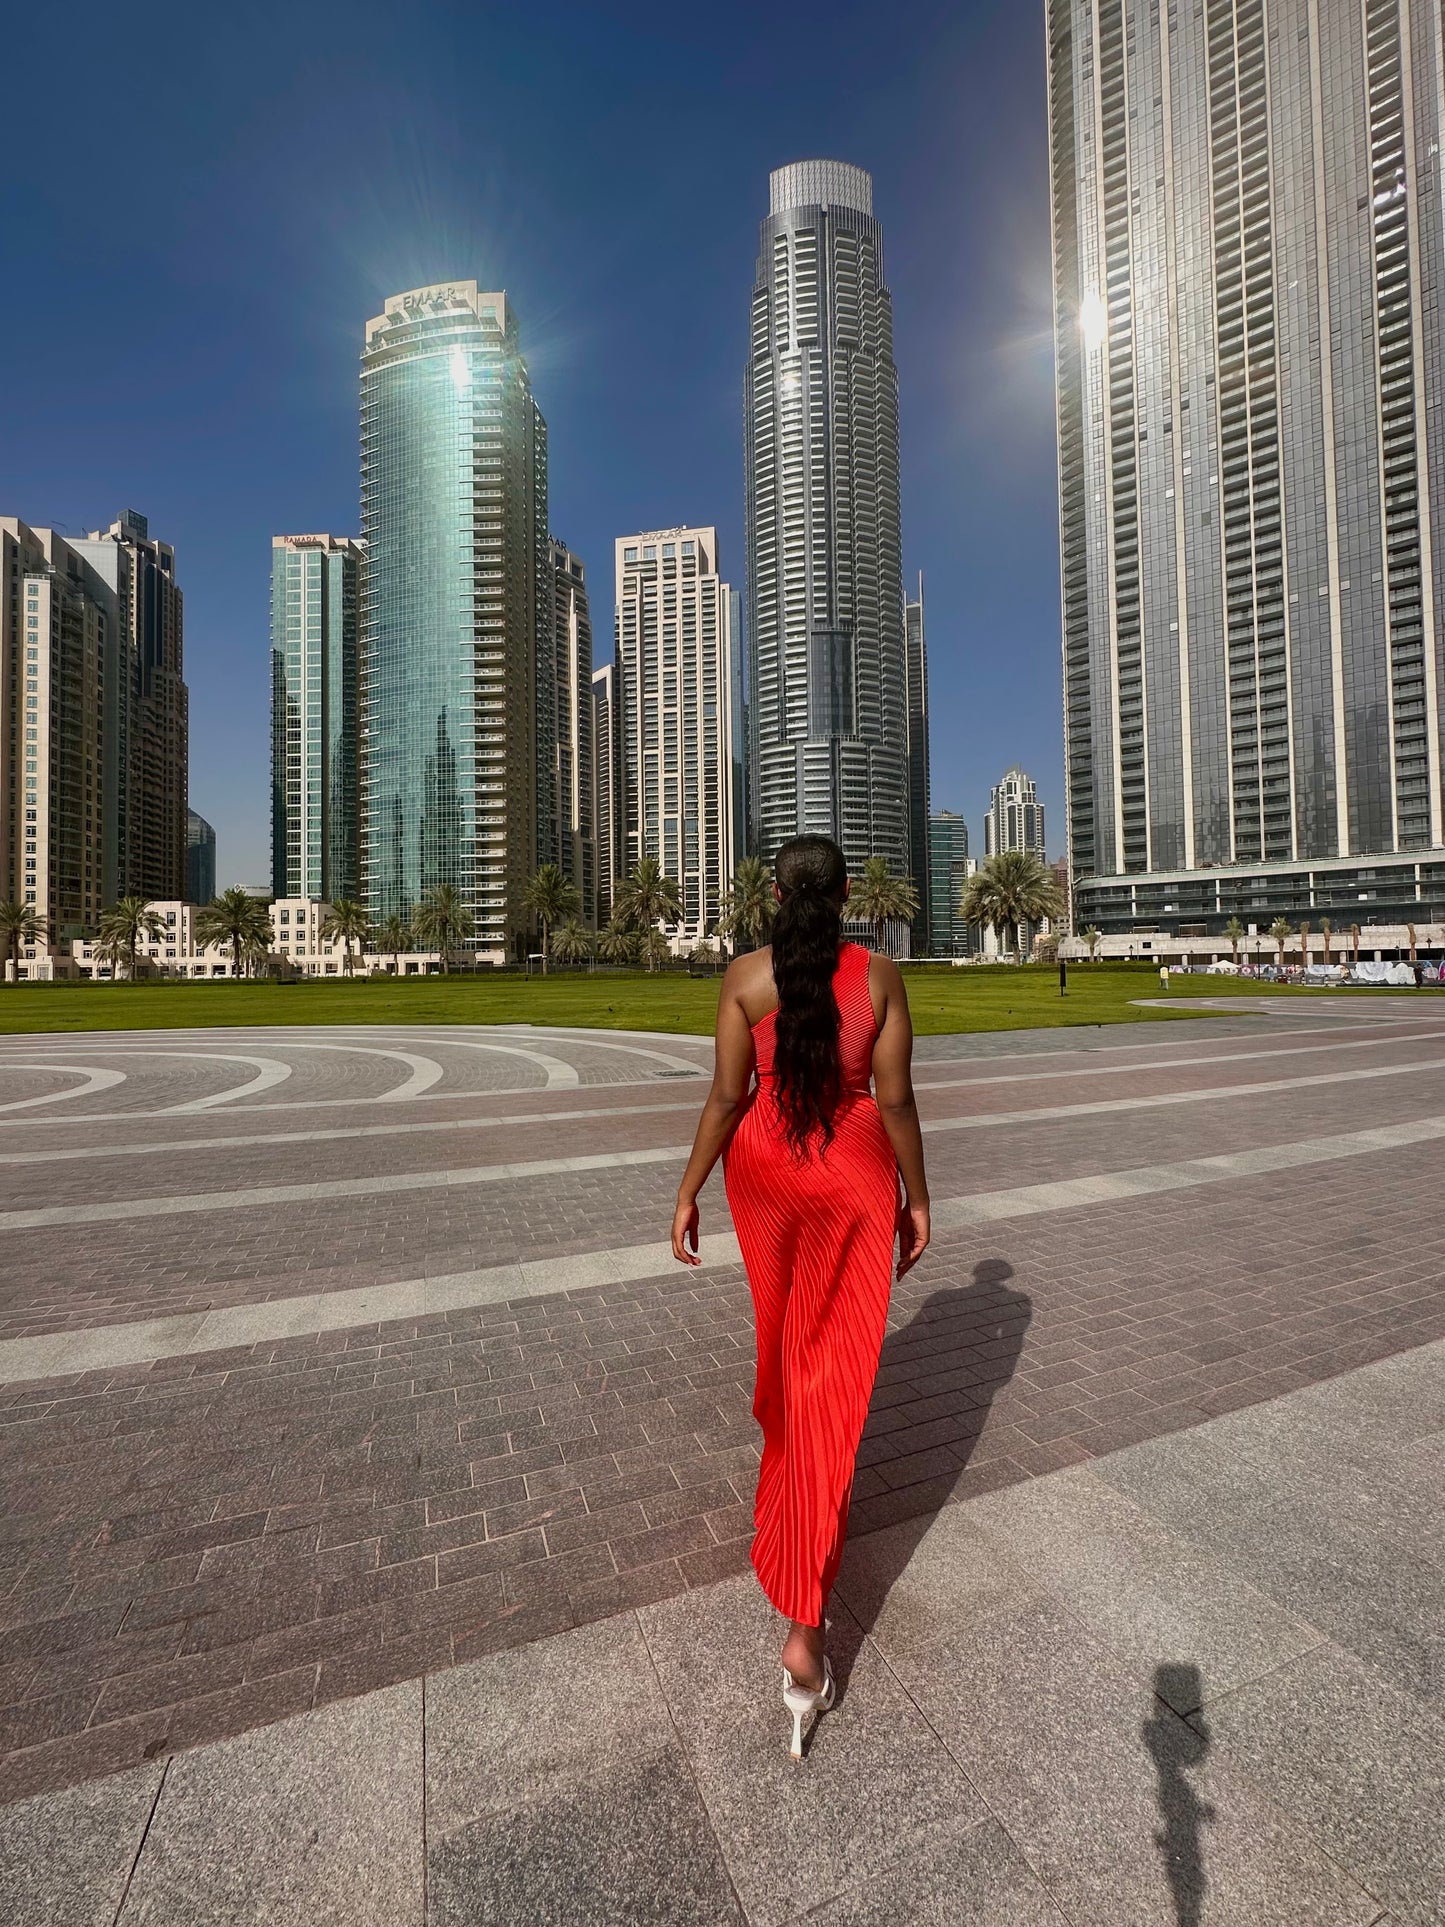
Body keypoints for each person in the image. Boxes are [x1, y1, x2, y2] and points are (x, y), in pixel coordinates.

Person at [671, 834, 930, 1759]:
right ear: (851, 890)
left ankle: (792, 1492)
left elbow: (725, 1096)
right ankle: (805, 1631)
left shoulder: (744, 976)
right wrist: (918, 1195)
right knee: (836, 1374)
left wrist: (688, 1188)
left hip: (768, 1172)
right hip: (853, 1171)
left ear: (775, 894)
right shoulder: (883, 977)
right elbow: (893, 1099)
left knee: (787, 1360)